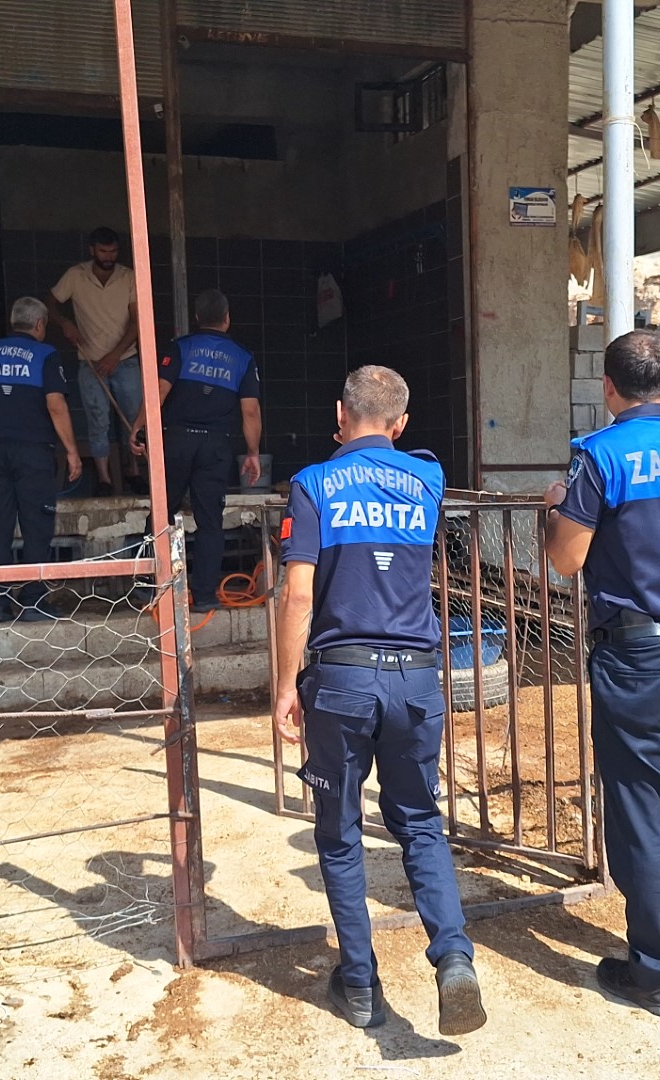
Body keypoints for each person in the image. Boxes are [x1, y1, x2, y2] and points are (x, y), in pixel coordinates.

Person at [272, 365, 485, 1036]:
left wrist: (283, 685)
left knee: (339, 832)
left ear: (339, 414)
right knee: (420, 822)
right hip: (417, 679)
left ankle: (361, 985)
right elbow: (407, 461)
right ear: (401, 423)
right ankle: (454, 958)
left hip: (342, 680)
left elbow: (298, 595)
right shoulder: (427, 478)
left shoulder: (312, 485)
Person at [543, 328, 660, 1019]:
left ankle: (656, 972)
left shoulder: (600, 455)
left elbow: (566, 559)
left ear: (608, 388)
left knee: (642, 810)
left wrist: (553, 509)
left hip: (640, 655)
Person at [130, 288, 262, 612]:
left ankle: (150, 588)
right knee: (210, 521)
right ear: (227, 319)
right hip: (215, 446)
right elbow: (250, 411)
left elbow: (158, 392)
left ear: (198, 317)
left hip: (176, 441)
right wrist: (253, 452)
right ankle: (204, 597)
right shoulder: (243, 357)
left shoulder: (180, 348)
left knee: (162, 513)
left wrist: (139, 427)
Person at [0, 296, 83, 622]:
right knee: (36, 526)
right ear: (40, 324)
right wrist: (72, 450)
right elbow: (56, 405)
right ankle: (32, 601)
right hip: (33, 454)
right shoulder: (45, 354)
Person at [47, 226, 143, 496]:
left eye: (113, 251)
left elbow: (137, 323)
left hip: (125, 360)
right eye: (103, 251)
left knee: (133, 420)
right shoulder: (76, 276)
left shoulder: (128, 277)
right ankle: (104, 479)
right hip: (89, 362)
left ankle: (133, 471)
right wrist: (65, 323)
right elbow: (49, 304)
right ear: (92, 250)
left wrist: (114, 356)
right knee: (98, 421)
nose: (109, 256)